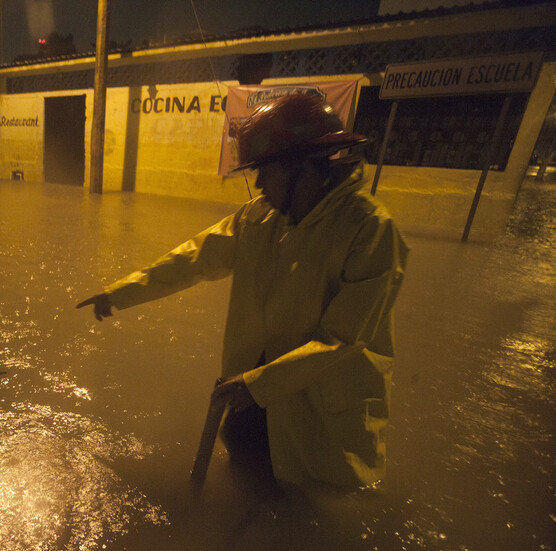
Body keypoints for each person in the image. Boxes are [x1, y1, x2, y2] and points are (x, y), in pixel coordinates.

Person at [77, 94, 408, 488]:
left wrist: (257, 384)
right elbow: (193, 259)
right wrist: (119, 293)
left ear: (301, 167)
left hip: (319, 420)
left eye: (265, 170)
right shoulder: (260, 218)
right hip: (249, 396)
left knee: (310, 503)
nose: (259, 184)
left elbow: (343, 339)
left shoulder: (369, 231)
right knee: (243, 482)